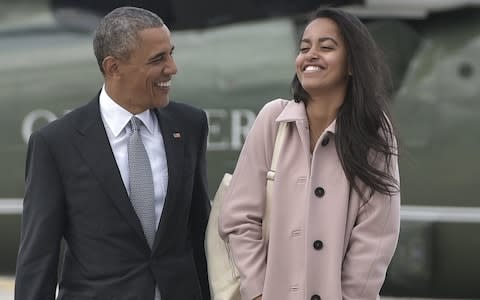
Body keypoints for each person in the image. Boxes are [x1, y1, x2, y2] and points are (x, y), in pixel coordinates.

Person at [15, 6, 211, 300]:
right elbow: (38, 257)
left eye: (171, 53)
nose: (172, 68)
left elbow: (199, 231)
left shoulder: (190, 125)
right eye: (158, 59)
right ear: (113, 67)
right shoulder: (56, 143)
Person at [219, 7, 400, 300]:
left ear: (352, 64)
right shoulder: (273, 119)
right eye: (305, 48)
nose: (310, 55)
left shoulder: (374, 130)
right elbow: (239, 217)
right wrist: (256, 293)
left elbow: (377, 233)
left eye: (326, 47)